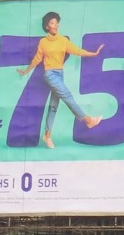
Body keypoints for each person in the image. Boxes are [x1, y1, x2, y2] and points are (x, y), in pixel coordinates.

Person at [17, 11, 104, 148]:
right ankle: (88, 121)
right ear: (47, 27)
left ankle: (47, 135)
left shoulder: (63, 40)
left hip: (60, 74)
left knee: (53, 107)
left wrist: (93, 53)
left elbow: (77, 50)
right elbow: (37, 59)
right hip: (50, 75)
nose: (56, 25)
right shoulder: (43, 42)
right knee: (68, 96)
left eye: (57, 22)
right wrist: (25, 71)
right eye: (52, 23)